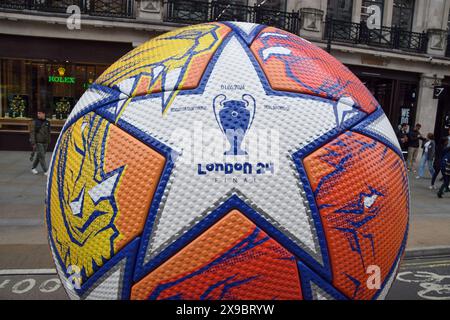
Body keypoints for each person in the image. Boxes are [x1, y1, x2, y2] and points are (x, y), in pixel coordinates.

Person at [30, 110, 51, 175]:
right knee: (42, 156)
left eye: (40, 113)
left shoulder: (47, 122)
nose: (38, 115)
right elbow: (32, 132)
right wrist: (33, 142)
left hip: (45, 142)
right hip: (38, 142)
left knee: (39, 155)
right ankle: (46, 171)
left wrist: (48, 141)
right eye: (38, 113)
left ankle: (33, 168)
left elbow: (48, 132)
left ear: (43, 114)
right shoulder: (35, 122)